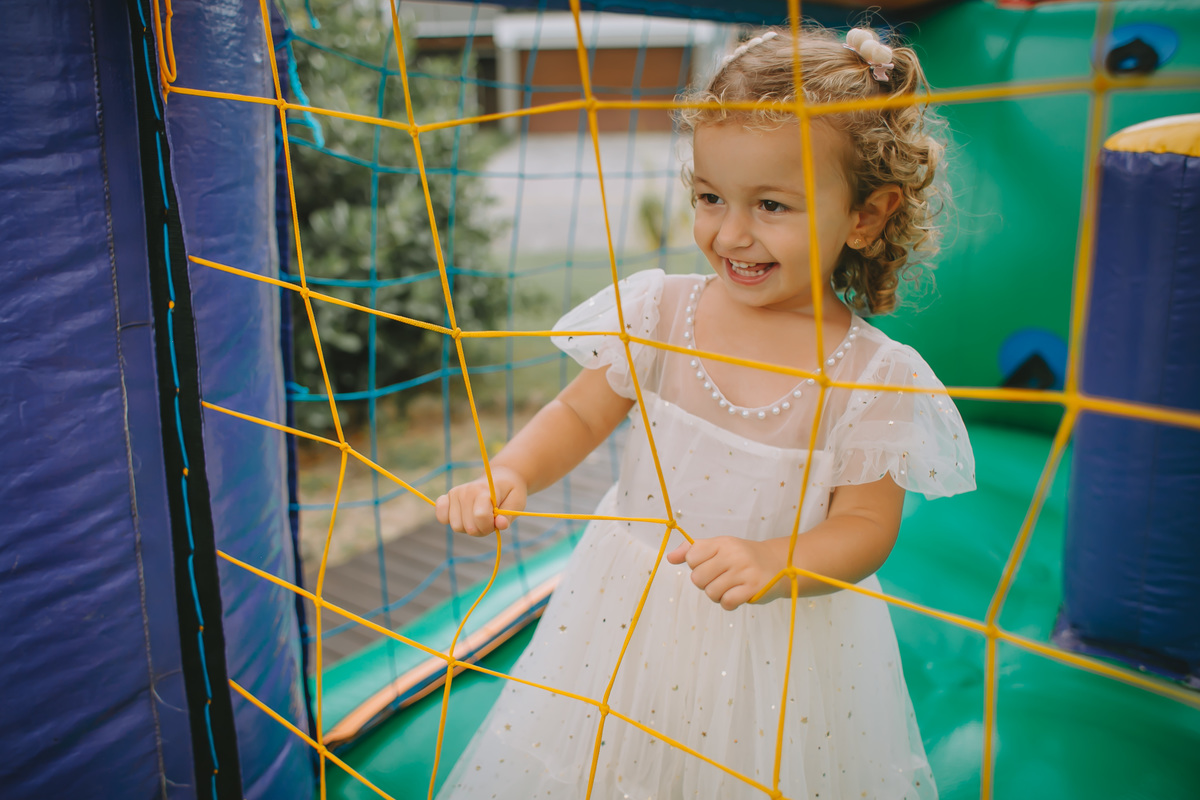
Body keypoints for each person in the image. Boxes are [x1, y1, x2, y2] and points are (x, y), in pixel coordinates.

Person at [433, 26, 974, 800]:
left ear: (866, 214)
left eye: (772, 205)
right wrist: (511, 470)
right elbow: (579, 415)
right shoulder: (658, 312)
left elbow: (866, 528)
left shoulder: (872, 378)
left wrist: (775, 560)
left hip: (779, 639)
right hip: (626, 609)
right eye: (710, 197)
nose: (731, 233)